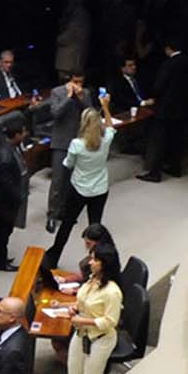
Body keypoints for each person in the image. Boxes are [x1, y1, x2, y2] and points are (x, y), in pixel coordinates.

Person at [45, 107, 113, 278]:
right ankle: (98, 261)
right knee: (96, 226)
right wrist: (105, 106)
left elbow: (68, 163)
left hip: (79, 189)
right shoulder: (106, 140)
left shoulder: (77, 144)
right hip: (100, 189)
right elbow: (111, 126)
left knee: (67, 223)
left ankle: (54, 256)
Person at [62, 246, 124, 374]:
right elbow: (82, 300)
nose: (90, 262)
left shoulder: (112, 292)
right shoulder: (91, 281)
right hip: (82, 334)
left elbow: (110, 321)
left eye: (95, 260)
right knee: (74, 371)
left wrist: (83, 320)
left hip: (101, 339)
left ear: (104, 264)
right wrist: (74, 308)